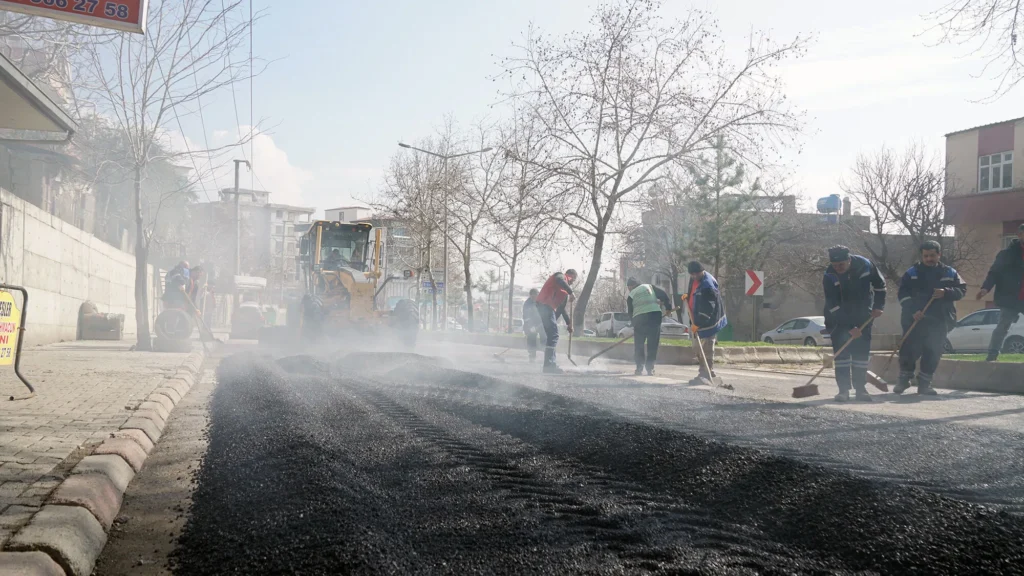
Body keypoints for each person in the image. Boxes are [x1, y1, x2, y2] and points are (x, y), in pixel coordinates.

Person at [896, 241, 968, 395]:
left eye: (932, 255)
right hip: (914, 319)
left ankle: (925, 384)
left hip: (939, 320)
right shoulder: (911, 273)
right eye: (926, 256)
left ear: (939, 255)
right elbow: (902, 295)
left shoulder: (950, 272)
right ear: (922, 256)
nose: (929, 259)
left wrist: (946, 292)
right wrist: (913, 311)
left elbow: (962, 290)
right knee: (909, 350)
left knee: (932, 352)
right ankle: (904, 380)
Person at [823, 245, 886, 402]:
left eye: (841, 265)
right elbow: (833, 305)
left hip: (864, 314)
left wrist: (878, 307)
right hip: (838, 318)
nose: (838, 268)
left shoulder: (866, 265)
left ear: (849, 260)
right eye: (835, 265)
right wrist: (850, 327)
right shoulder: (829, 275)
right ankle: (843, 391)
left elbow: (880, 286)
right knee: (842, 355)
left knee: (860, 354)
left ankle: (860, 389)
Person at [975, 223, 1024, 361]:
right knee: (1003, 326)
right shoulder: (1006, 254)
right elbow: (994, 273)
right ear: (1020, 235)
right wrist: (985, 288)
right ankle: (992, 354)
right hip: (1010, 298)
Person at [684, 261, 727, 385]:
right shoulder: (693, 279)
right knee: (697, 347)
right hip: (696, 319)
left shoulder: (708, 285)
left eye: (696, 274)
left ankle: (706, 373)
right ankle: (705, 372)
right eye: (692, 274)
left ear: (701, 271)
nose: (694, 276)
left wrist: (699, 323)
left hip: (709, 320)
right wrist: (687, 296)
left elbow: (709, 308)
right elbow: (692, 292)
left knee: (707, 346)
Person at [626, 277, 673, 376]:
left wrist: (634, 324)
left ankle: (639, 368)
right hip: (654, 317)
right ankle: (650, 369)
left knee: (639, 345)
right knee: (652, 344)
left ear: (631, 286)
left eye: (629, 287)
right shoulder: (649, 287)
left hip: (640, 319)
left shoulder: (631, 295)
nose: (629, 289)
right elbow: (664, 295)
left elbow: (630, 312)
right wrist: (668, 308)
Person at [535, 269, 577, 373]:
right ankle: (549, 365)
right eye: (573, 280)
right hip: (544, 305)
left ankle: (549, 365)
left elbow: (562, 309)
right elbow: (560, 280)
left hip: (547, 308)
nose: (572, 282)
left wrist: (569, 323)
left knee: (552, 336)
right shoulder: (560, 276)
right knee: (553, 335)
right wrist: (571, 292)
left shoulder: (564, 293)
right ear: (571, 276)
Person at [523, 288, 542, 362]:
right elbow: (526, 317)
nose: (534, 298)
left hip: (540, 323)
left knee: (544, 338)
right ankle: (532, 355)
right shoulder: (527, 304)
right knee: (531, 338)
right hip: (530, 324)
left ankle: (547, 354)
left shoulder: (541, 301)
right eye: (533, 296)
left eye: (536, 296)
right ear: (530, 296)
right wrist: (530, 327)